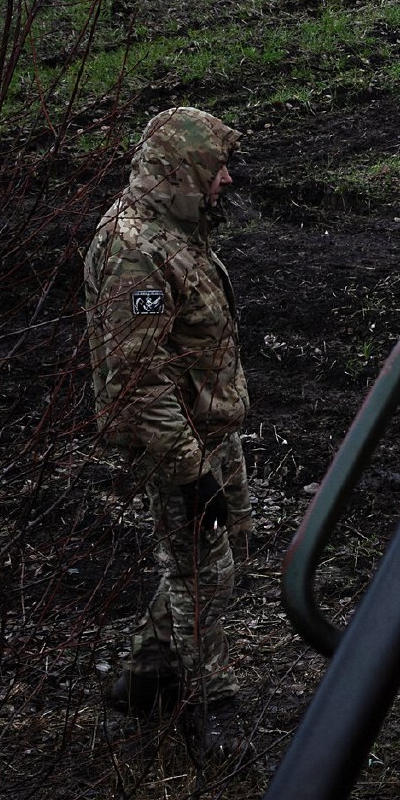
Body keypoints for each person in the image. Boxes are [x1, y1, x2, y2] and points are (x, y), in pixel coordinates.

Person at [83, 106, 252, 756]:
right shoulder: (134, 252)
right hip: (175, 442)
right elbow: (140, 378)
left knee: (227, 548)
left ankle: (145, 675)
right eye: (216, 168)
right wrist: (187, 471)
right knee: (202, 573)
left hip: (210, 429)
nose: (227, 180)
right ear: (181, 170)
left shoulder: (178, 229)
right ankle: (211, 709)